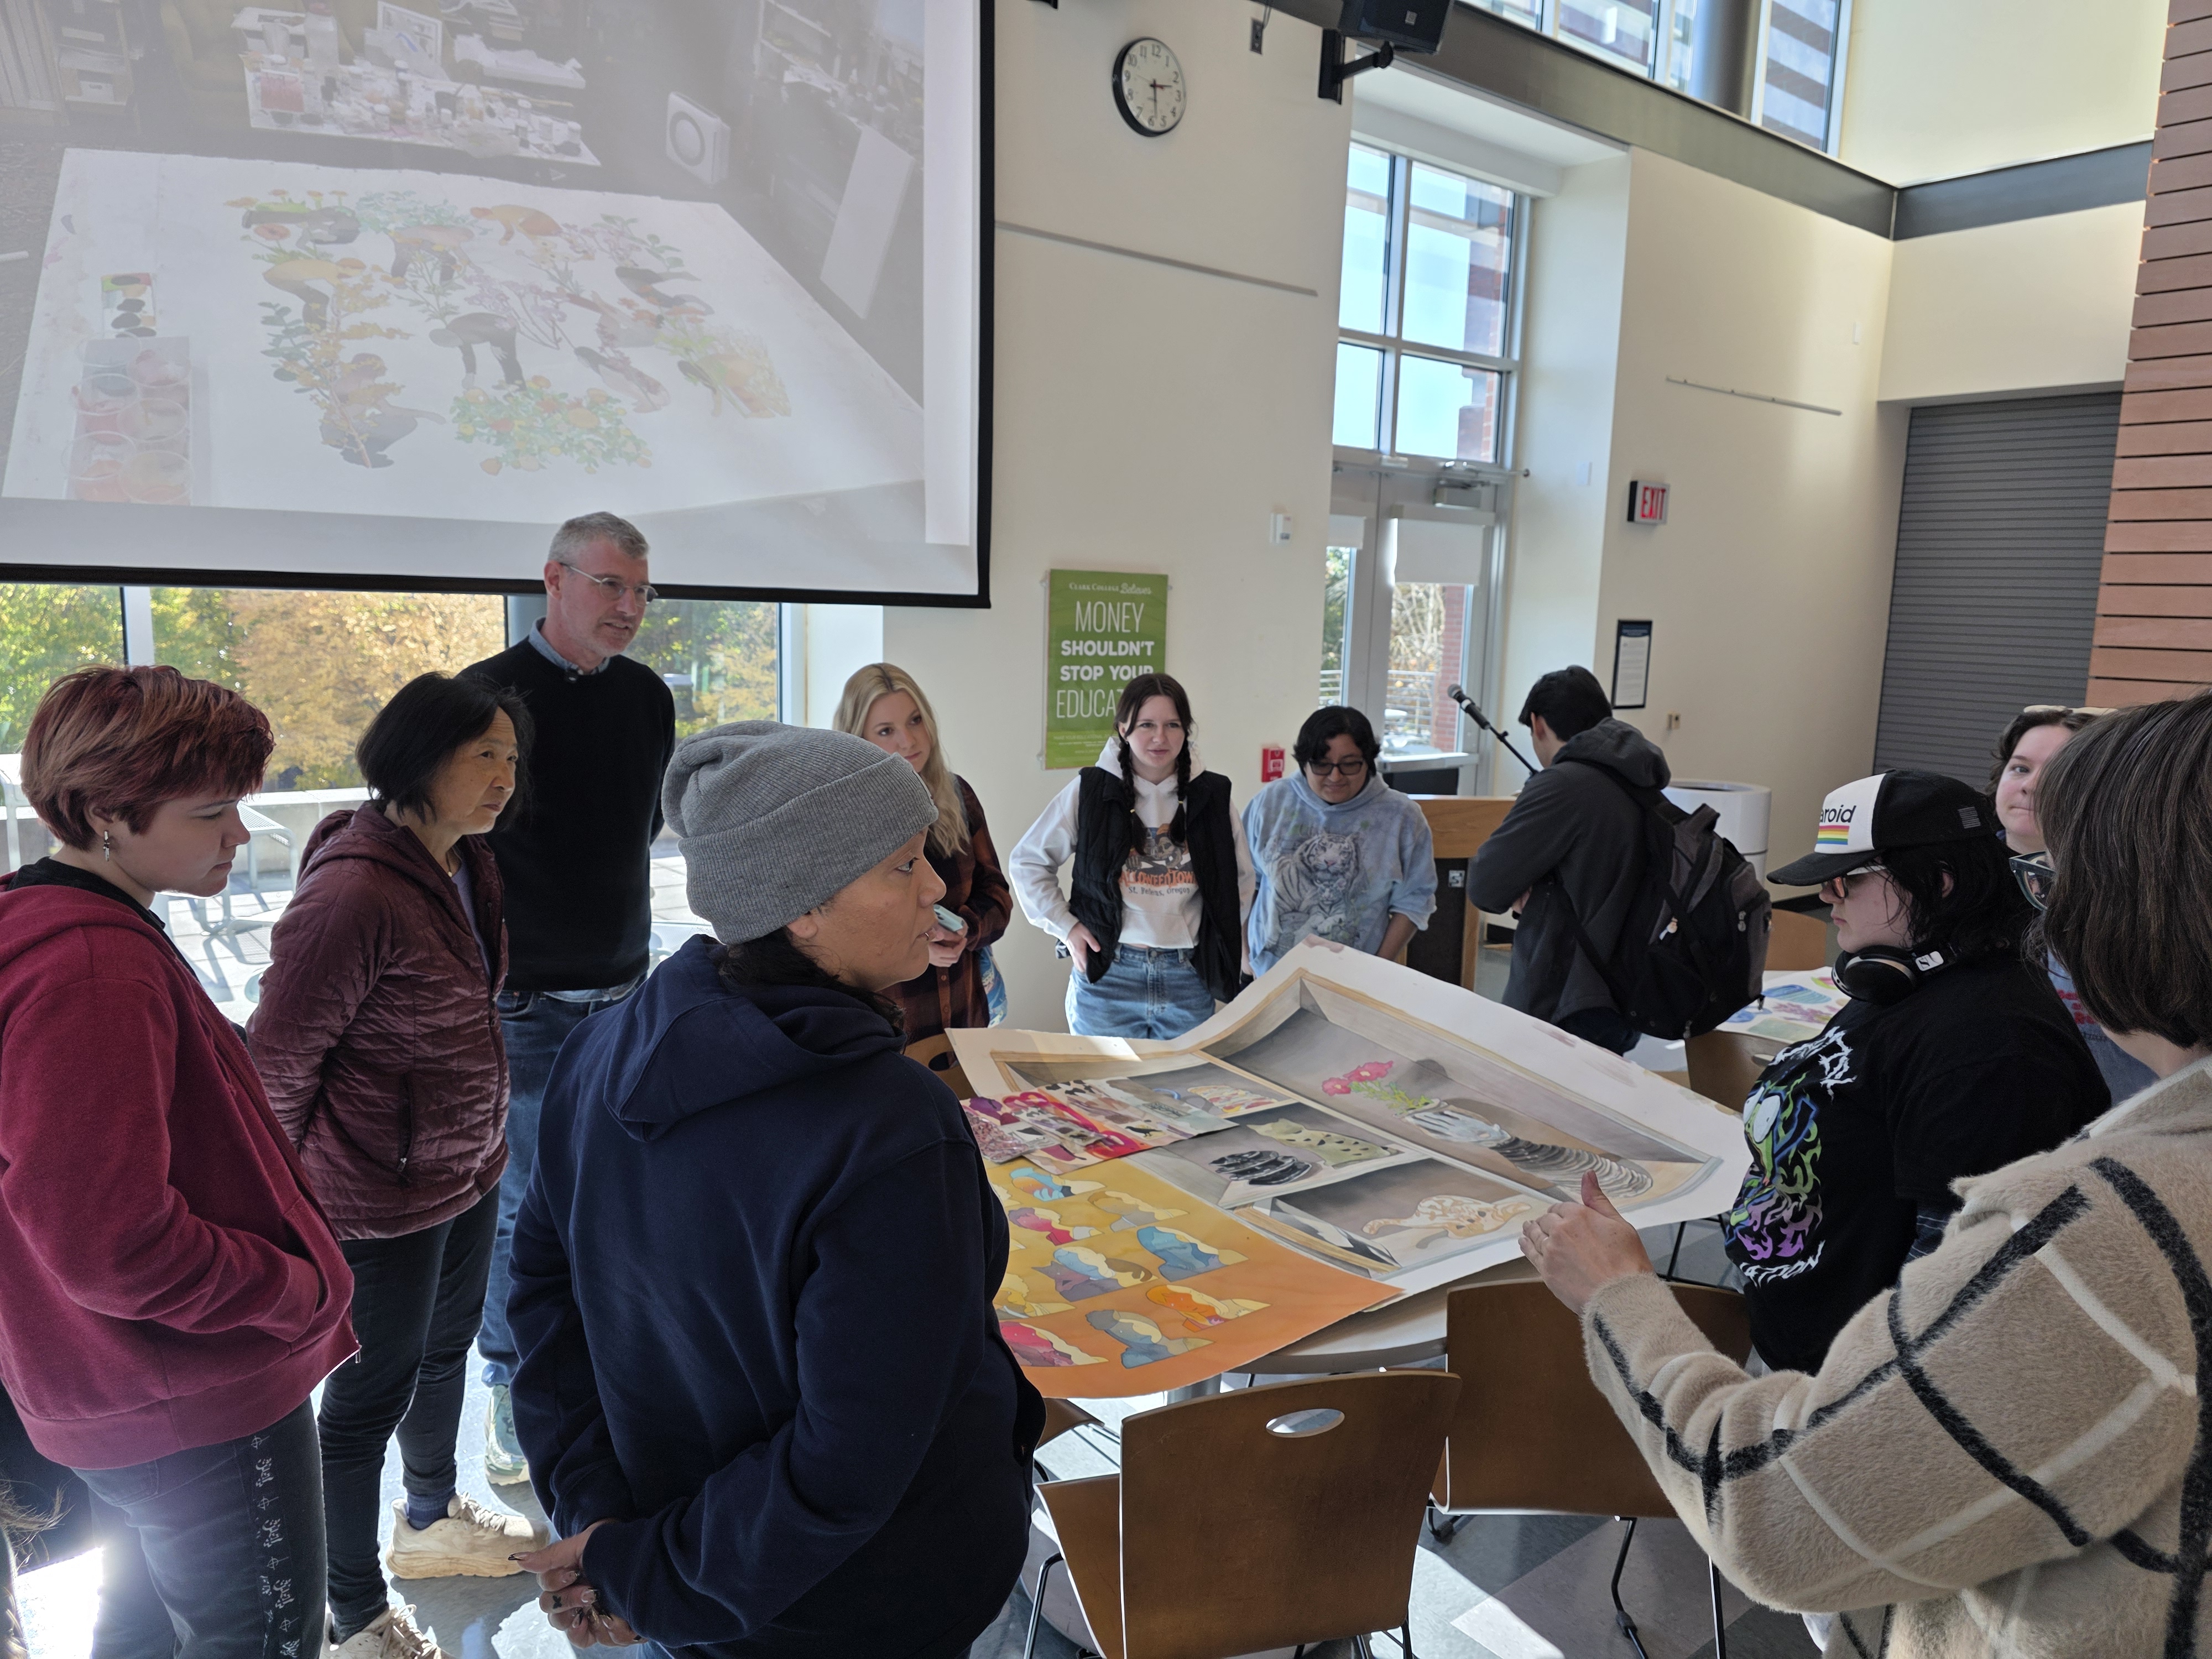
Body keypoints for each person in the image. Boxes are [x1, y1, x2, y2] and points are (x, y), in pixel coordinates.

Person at [1521, 693, 2212, 1658]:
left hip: (1847, 1434)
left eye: (2065, 878)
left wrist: (1619, 1296)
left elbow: (1782, 1518)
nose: (2052, 912)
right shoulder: (1905, 991)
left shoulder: (2059, 1153)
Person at [508, 723, 1045, 1655]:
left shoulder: (600, 1053)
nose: (936, 887)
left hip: (683, 1565)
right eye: (902, 865)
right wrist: (648, 1569)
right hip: (864, 1607)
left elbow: (548, 1317)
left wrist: (612, 1539)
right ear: (800, 910)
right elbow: (851, 1460)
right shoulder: (888, 1126)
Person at [0, 666, 354, 1658]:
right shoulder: (91, 968)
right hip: (189, 1402)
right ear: (106, 814)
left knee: (147, 1627)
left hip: (120, 1388)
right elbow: (109, 1242)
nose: (239, 833)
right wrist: (286, 1289)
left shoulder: (47, 927)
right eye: (210, 812)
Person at [249, 675, 543, 1657]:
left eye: (511, 756)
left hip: (466, 1168)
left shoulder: (468, 861)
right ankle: (354, 1616)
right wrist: (290, 1193)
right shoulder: (355, 892)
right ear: (418, 757)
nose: (504, 776)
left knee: (444, 1352)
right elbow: (278, 1060)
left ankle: (428, 1520)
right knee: (361, 1407)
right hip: (377, 1192)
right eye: (482, 754)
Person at [1719, 769, 2106, 1374]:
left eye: (1846, 881)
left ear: (1939, 883)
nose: (1827, 898)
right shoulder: (1904, 979)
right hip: (1800, 1348)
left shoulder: (1990, 1049)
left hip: (1847, 1389)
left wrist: (1853, 1398)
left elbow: (1950, 1288)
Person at [461, 511, 676, 1484]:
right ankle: (512, 1379)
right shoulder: (484, 699)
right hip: (526, 1005)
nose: (629, 606)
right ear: (553, 580)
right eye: (609, 585)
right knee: (523, 1206)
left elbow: (639, 832)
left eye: (640, 590)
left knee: (618, 1196)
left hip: (626, 993)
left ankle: (603, 1363)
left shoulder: (647, 697)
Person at [1010, 673, 1255, 1040]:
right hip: (1110, 976)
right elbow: (1028, 861)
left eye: (1173, 725)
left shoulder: (1213, 795)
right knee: (1101, 1079)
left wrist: (1218, 942)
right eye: (1147, 725)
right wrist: (1066, 927)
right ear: (1123, 729)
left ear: (1187, 730)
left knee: (1185, 1078)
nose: (1160, 737)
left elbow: (1241, 881)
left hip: (1188, 978)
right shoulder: (1091, 790)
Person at [1467, 665, 1666, 1054]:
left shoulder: (1564, 785)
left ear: (1538, 724)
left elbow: (1485, 886)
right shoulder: (1639, 777)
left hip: (1565, 996)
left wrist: (1527, 885)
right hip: (1627, 984)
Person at [835, 662, 1012, 1041]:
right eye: (886, 731)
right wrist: (913, 948)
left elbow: (997, 896)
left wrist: (966, 930)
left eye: (915, 721)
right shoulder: (843, 817)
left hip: (966, 1019)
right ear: (856, 738)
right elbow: (837, 932)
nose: (908, 741)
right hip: (889, 1028)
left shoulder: (958, 796)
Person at [1992, 702, 2157, 1104]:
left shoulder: (2129, 901)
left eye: (2058, 773)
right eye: (2020, 768)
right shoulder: (1955, 879)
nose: (2032, 786)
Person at [1243, 705, 1436, 976]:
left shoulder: (1401, 816)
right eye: (1322, 765)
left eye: (1350, 764)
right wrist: (1246, 959)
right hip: (1269, 972)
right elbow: (1242, 884)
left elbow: (1414, 902)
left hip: (1356, 977)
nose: (1335, 777)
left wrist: (1378, 967)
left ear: (1368, 761)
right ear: (1304, 763)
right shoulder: (1271, 802)